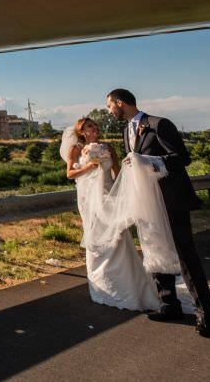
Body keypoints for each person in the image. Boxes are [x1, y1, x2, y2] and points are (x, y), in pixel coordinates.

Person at [105, 88, 210, 336]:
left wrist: (148, 162)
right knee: (154, 249)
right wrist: (131, 163)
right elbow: (136, 161)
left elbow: (181, 158)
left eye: (109, 106)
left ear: (120, 103)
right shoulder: (126, 131)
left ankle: (206, 313)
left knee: (185, 254)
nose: (109, 111)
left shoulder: (158, 124)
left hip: (171, 200)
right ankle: (169, 304)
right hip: (146, 202)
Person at [61, 117, 160, 312]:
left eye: (96, 125)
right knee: (95, 237)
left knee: (117, 234)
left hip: (107, 194)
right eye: (90, 126)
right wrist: (89, 167)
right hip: (88, 198)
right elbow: (69, 174)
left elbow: (117, 172)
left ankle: (127, 285)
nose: (95, 128)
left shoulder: (108, 147)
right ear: (82, 131)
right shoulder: (76, 149)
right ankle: (103, 286)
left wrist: (120, 194)